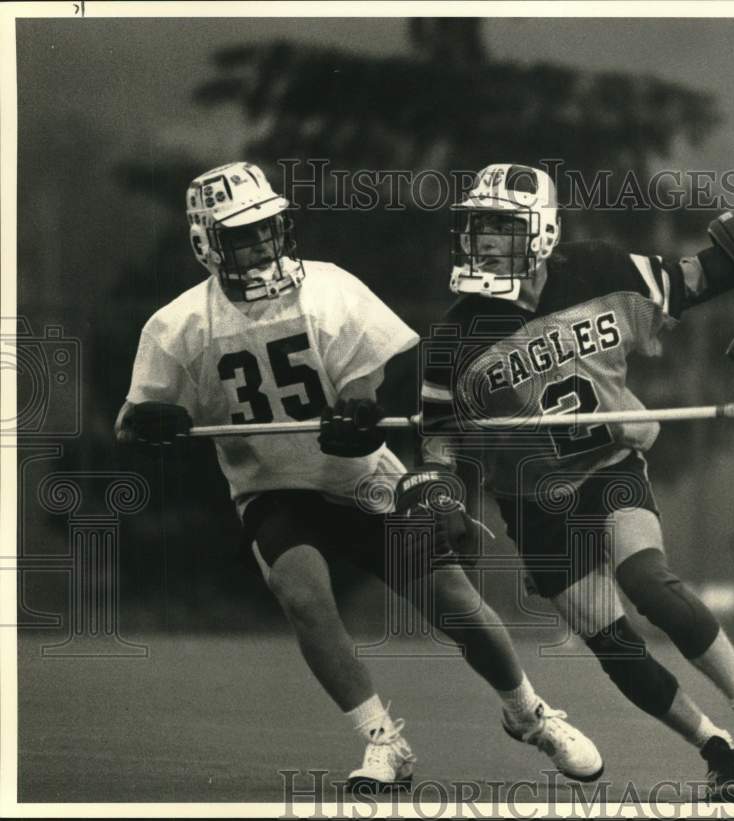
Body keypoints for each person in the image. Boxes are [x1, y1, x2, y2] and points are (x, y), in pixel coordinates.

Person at [319, 164, 734, 802]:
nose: (485, 242)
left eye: (502, 228)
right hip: (533, 502)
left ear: (541, 231)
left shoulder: (600, 270)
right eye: (478, 228)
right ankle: (716, 747)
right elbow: (439, 438)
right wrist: (442, 494)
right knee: (614, 644)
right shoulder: (455, 337)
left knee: (649, 583)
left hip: (609, 469)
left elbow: (693, 279)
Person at [114, 162, 604, 793]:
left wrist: (357, 408)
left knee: (455, 602)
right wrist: (150, 421)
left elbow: (362, 380)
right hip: (270, 489)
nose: (260, 243)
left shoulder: (327, 288)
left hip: (360, 477)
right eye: (242, 234)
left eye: (266, 227)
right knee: (304, 598)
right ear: (207, 242)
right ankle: (383, 741)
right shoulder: (178, 325)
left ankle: (528, 713)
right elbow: (132, 420)